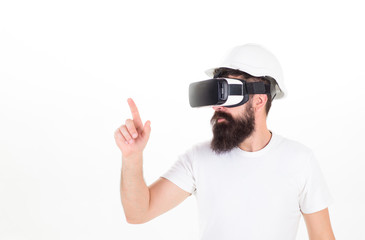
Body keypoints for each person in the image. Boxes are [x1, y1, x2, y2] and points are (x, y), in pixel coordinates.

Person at [114, 44, 335, 240]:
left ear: (259, 100)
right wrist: (132, 157)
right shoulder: (198, 159)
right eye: (215, 95)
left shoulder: (300, 161)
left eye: (227, 94)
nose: (216, 107)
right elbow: (138, 213)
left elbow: (323, 236)